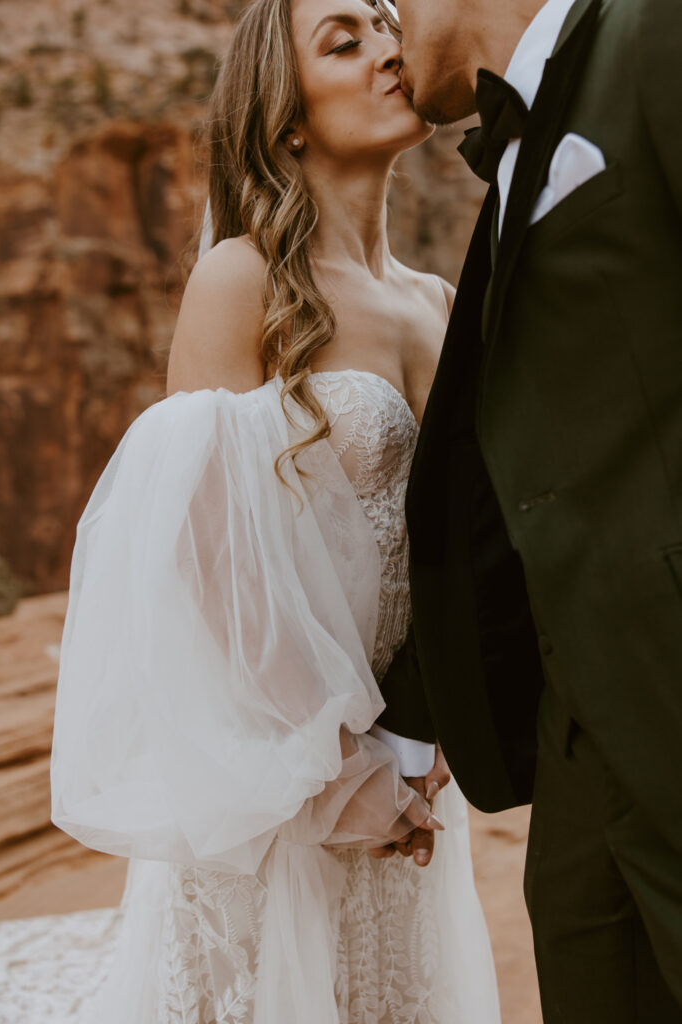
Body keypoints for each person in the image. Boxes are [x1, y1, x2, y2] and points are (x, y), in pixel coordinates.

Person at [49, 1, 501, 1021]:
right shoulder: (242, 277)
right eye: (343, 40)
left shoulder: (434, 300)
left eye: (387, 23)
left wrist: (422, 758)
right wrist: (340, 782)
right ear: (284, 116)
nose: (388, 49)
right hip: (282, 794)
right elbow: (204, 569)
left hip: (417, 783)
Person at [368, 0, 682, 1020]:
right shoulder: (511, 159)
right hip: (581, 741)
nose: (385, 31)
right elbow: (494, 480)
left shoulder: (652, 32)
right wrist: (406, 729)